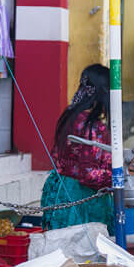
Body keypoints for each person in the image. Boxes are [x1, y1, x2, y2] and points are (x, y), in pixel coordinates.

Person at [42, 63, 115, 230]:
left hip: (58, 189)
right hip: (80, 197)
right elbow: (88, 174)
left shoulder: (70, 115)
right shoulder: (93, 127)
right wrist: (117, 177)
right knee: (85, 250)